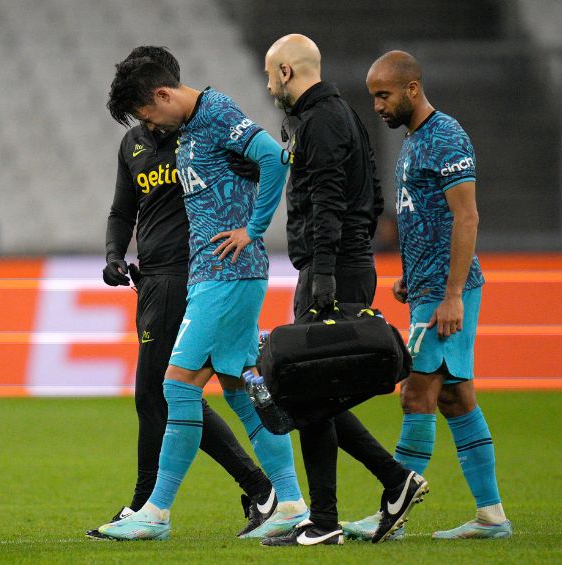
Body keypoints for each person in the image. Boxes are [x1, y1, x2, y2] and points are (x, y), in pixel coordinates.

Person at [96, 49, 307, 541]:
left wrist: (252, 230)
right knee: (240, 390)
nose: (150, 125)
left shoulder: (215, 113)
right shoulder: (190, 127)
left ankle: (156, 512)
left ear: (162, 95)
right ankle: (290, 501)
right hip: (214, 275)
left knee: (175, 385)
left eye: (148, 114)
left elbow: (276, 158)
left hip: (226, 274)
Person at [259, 35, 428, 547]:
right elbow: (373, 195)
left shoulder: (320, 120)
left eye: (271, 76)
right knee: (318, 395)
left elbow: (329, 201)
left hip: (332, 271)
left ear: (287, 72)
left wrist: (325, 272)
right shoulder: (342, 116)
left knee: (308, 392)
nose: (269, 87)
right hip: (343, 265)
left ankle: (329, 519)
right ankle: (386, 487)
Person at [344, 50, 512, 540]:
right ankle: (491, 516)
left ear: (412, 89)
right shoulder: (416, 140)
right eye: (373, 95)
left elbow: (467, 217)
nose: (376, 105)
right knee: (456, 400)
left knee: (415, 395)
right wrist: (411, 277)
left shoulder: (447, 137)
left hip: (446, 295)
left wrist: (452, 294)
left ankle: (390, 515)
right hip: (428, 288)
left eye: (383, 95)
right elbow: (427, 218)